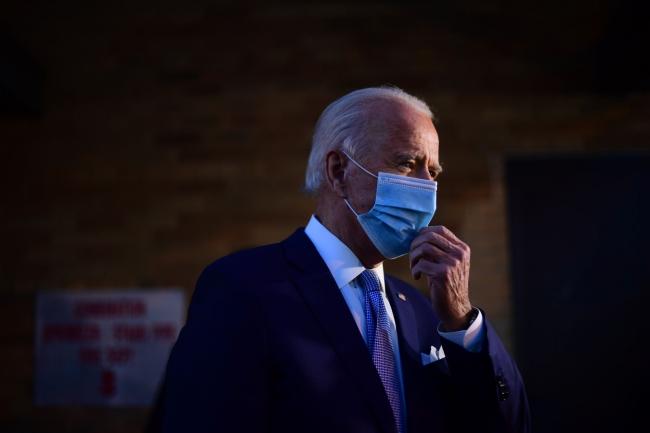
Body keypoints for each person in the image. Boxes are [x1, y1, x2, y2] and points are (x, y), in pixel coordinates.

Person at [160, 87, 530, 433]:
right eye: (407, 163)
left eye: (432, 172)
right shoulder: (244, 290)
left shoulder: (426, 313)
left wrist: (462, 320)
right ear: (338, 171)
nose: (426, 187)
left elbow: (507, 425)